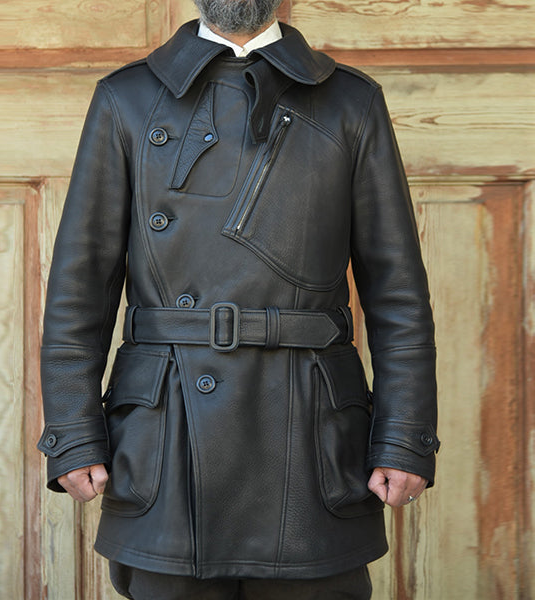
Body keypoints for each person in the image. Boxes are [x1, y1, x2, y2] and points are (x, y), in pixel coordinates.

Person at [37, 0, 440, 598]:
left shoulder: (352, 101)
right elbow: (80, 289)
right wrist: (72, 429)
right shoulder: (126, 98)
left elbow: (397, 294)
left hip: (308, 437)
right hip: (167, 434)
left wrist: (405, 435)